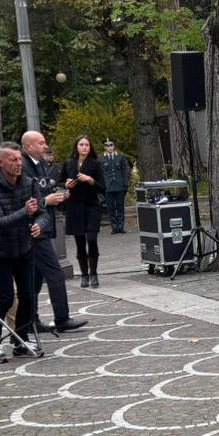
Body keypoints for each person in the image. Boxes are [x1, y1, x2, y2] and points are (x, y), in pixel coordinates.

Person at [20, 130, 88, 333]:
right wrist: (46, 200)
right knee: (55, 273)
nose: (45, 146)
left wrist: (58, 192)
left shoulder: (40, 164)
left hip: (44, 224)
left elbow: (43, 188)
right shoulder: (22, 166)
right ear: (28, 146)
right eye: (40, 143)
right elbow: (25, 197)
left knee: (35, 277)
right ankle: (61, 318)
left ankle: (30, 320)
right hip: (34, 228)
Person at [0, 142, 41, 363]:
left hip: (23, 246)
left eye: (19, 159)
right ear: (1, 162)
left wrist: (38, 224)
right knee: (6, 297)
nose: (18, 163)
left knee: (27, 295)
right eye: (13, 160)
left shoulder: (28, 182)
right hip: (0, 250)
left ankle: (20, 339)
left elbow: (41, 210)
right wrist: (24, 212)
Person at [60, 134, 105, 288]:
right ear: (76, 147)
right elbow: (59, 182)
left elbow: (102, 187)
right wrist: (66, 184)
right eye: (81, 144)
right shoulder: (68, 163)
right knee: (79, 242)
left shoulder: (95, 164)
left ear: (90, 147)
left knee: (92, 239)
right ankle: (84, 274)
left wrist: (90, 180)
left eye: (86, 145)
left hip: (91, 205)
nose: (84, 147)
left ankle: (94, 273)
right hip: (74, 206)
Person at [101, 139, 131, 232]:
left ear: (114, 146)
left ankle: (121, 227)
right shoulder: (101, 159)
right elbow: (101, 174)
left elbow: (124, 172)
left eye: (111, 145)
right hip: (108, 187)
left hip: (119, 186)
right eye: (107, 146)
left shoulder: (120, 157)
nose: (109, 147)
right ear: (105, 147)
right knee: (111, 208)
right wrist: (102, 186)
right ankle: (114, 227)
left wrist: (125, 185)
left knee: (120, 207)